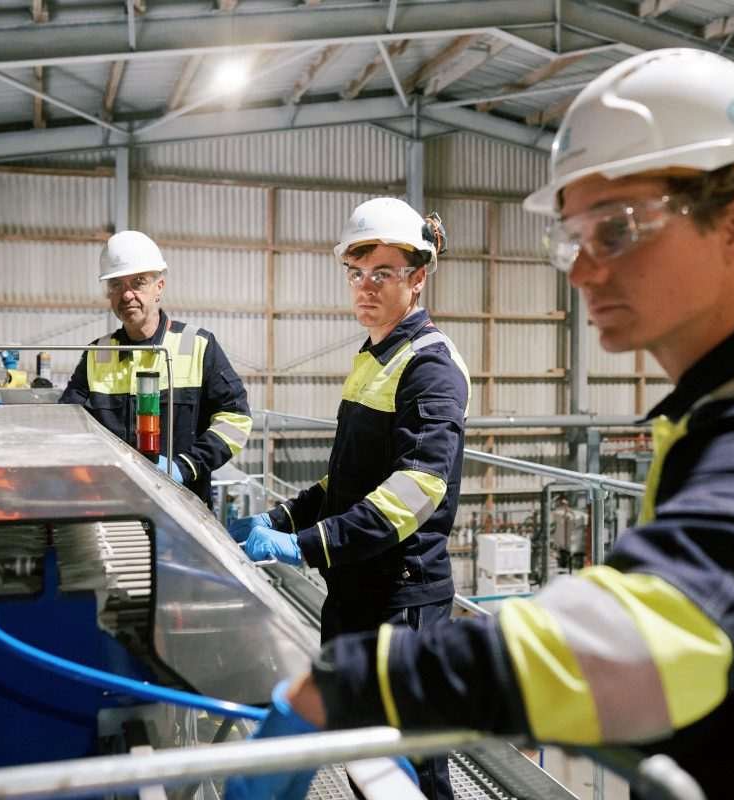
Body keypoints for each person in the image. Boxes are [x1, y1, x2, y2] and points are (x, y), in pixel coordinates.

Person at [226, 48, 734, 799]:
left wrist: (358, 682)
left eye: (616, 230)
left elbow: (641, 640)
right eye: (574, 239)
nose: (584, 270)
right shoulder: (724, 409)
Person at [227, 197, 470, 800]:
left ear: (418, 278)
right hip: (356, 590)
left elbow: (413, 492)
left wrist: (304, 545)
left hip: (401, 598)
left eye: (382, 274)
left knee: (409, 759)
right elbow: (347, 481)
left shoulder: (430, 367)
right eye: (356, 274)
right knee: (364, 751)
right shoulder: (373, 355)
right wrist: (281, 514)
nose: (365, 288)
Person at [60, 230, 253, 506]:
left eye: (138, 282)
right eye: (116, 284)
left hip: (183, 507)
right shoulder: (98, 354)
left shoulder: (197, 345)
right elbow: (70, 423)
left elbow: (236, 419)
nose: (126, 295)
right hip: (114, 506)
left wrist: (185, 467)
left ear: (159, 286)